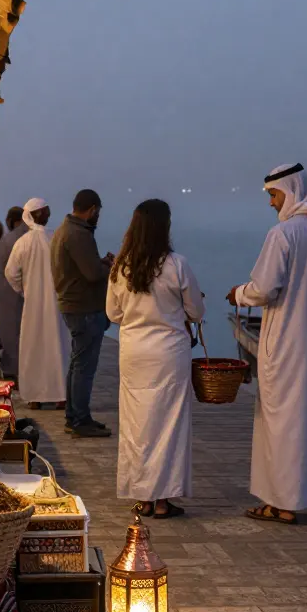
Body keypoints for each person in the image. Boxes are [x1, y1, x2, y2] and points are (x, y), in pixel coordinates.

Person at [227, 163, 307, 525]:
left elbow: (264, 289)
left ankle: (281, 504)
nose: (270, 203)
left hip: (286, 348)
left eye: (273, 194)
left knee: (282, 422)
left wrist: (238, 294)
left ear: (292, 190)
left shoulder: (283, 235)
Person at [107, 199, 204, 519]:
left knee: (136, 425)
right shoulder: (177, 264)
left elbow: (113, 313)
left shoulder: (121, 266)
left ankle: (143, 496)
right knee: (169, 425)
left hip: (134, 352)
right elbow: (195, 312)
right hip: (169, 353)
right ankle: (163, 500)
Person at [51, 189, 115, 438]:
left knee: (78, 364)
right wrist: (109, 267)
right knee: (84, 367)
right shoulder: (79, 234)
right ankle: (79, 420)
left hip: (74, 306)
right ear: (93, 209)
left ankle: (77, 416)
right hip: (84, 308)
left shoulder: (66, 230)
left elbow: (83, 267)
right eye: (98, 212)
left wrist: (100, 262)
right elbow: (91, 274)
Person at [5, 199, 69, 409]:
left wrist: (25, 290)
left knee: (34, 347)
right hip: (57, 303)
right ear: (39, 214)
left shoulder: (24, 242)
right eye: (46, 210)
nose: (49, 213)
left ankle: (35, 397)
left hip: (32, 304)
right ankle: (61, 395)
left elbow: (11, 273)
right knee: (57, 345)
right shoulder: (56, 238)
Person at [0, 206, 28, 381]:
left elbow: (7, 269)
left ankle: (13, 369)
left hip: (11, 290)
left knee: (11, 332)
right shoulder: (29, 237)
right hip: (24, 291)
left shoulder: (10, 238)